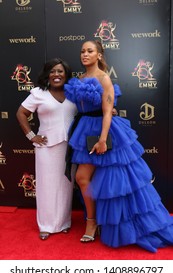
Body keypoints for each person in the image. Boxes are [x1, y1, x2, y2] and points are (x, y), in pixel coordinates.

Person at [64, 40, 173, 252]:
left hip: (105, 131)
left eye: (90, 51)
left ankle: (108, 224)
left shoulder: (104, 78)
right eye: (82, 51)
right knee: (85, 178)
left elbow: (107, 112)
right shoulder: (80, 79)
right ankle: (93, 221)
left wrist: (103, 139)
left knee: (112, 182)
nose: (85, 54)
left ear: (99, 55)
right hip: (84, 130)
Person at [16, 58, 77, 240]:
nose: (56, 75)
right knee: (46, 187)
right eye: (52, 71)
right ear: (47, 75)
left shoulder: (73, 93)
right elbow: (21, 113)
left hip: (69, 147)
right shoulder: (38, 93)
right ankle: (46, 225)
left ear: (66, 74)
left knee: (66, 186)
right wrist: (31, 136)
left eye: (60, 71)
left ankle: (63, 223)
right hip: (46, 147)